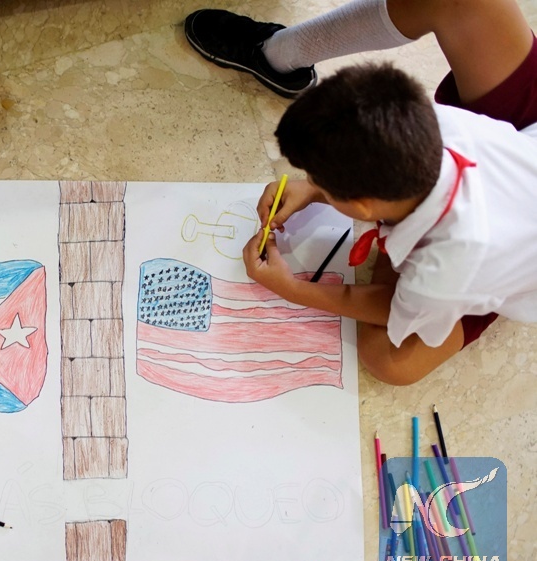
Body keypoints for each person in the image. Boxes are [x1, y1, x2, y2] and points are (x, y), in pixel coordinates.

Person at [185, 0, 537, 384]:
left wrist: (293, 289)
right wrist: (315, 189)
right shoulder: (431, 122)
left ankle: (400, 246)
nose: (311, 181)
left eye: (319, 179)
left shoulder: (447, 267)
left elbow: (393, 309)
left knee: (389, 361)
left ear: (364, 207)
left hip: (507, 266)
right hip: (518, 168)